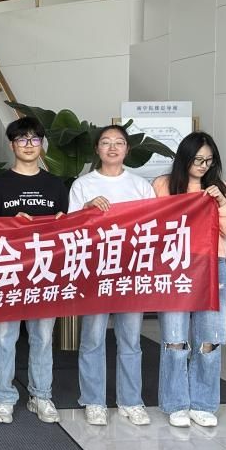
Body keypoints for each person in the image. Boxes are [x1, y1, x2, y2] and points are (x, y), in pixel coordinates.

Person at [0, 116, 68, 425]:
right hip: (7, 271)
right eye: (22, 139)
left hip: (45, 272)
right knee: (4, 336)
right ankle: (3, 397)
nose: (29, 145)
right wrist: (10, 224)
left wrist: (61, 223)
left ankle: (41, 395)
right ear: (12, 145)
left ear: (41, 144)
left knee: (42, 336)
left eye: (34, 139)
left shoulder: (56, 185)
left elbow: (67, 230)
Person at [69, 124, 156, 426]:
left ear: (127, 149)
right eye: (106, 142)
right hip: (96, 271)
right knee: (93, 338)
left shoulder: (141, 186)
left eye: (119, 142)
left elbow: (153, 226)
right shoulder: (83, 184)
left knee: (130, 339)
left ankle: (131, 401)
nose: (112, 147)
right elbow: (70, 228)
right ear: (97, 149)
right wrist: (86, 208)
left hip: (130, 271)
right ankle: (93, 400)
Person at [153, 131, 226, 428]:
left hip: (212, 267)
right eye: (198, 159)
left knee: (210, 339)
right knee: (175, 339)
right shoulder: (163, 185)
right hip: (174, 267)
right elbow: (150, 225)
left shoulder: (220, 189)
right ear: (185, 158)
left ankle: (203, 403)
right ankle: (176, 403)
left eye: (209, 160)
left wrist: (222, 202)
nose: (203, 166)